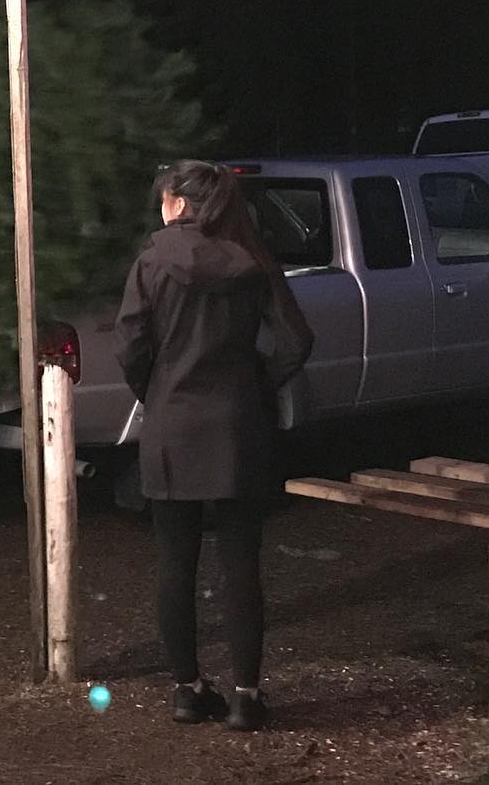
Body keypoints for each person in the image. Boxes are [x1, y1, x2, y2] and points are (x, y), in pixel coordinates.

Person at [114, 160, 313, 732]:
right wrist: (258, 382)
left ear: (177, 202)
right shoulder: (252, 260)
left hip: (173, 428)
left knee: (176, 562)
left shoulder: (152, 263)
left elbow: (131, 344)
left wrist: (156, 389)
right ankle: (246, 697)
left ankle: (187, 689)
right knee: (240, 563)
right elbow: (297, 338)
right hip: (237, 427)